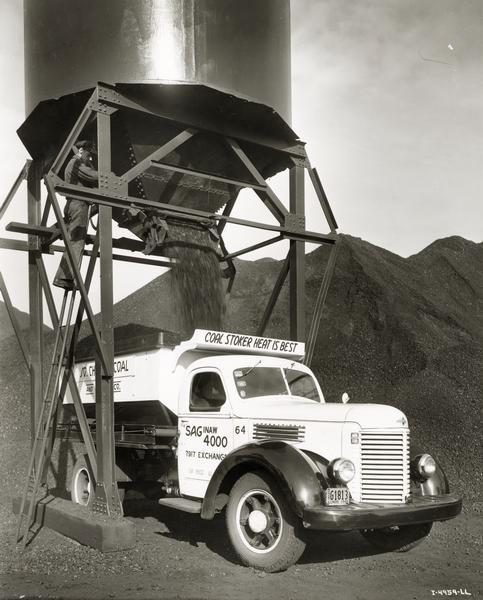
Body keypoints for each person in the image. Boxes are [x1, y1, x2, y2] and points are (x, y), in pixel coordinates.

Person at [53, 141, 99, 290]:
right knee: (77, 240)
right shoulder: (76, 164)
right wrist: (109, 176)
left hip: (73, 204)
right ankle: (65, 277)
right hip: (78, 205)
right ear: (81, 151)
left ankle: (65, 276)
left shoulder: (74, 164)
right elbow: (93, 176)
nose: (89, 158)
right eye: (88, 154)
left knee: (74, 239)